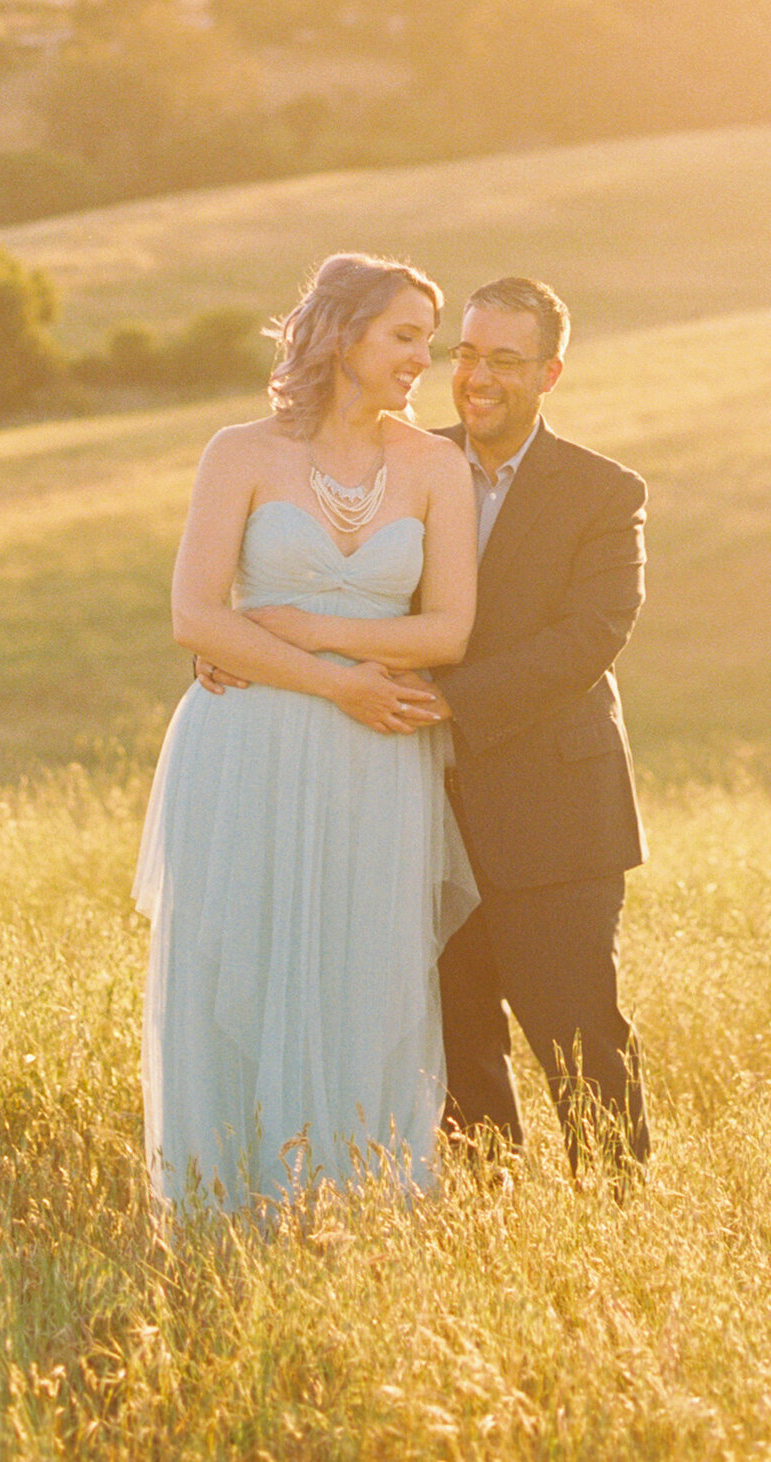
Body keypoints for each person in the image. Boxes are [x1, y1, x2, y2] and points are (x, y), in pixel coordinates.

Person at [134, 252, 478, 1217]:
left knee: (366, 981)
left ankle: (360, 1213)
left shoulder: (433, 466)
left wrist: (309, 629)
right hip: (248, 746)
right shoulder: (238, 453)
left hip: (377, 759)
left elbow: (448, 629)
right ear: (343, 334)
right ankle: (228, 1212)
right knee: (236, 969)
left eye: (427, 335)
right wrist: (338, 685)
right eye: (405, 334)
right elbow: (197, 618)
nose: (424, 355)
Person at [404, 274, 653, 1168]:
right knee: (456, 1052)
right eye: (466, 352)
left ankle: (618, 1229)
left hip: (555, 815)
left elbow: (593, 635)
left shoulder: (602, 492)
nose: (477, 376)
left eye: (504, 359)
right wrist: (236, 641)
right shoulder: (408, 463)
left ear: (549, 374)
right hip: (421, 810)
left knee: (581, 1042)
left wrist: (447, 701)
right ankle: (490, 1233)